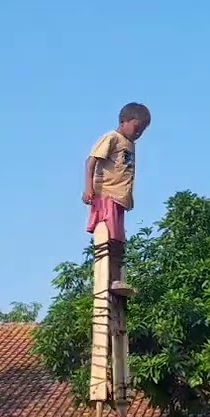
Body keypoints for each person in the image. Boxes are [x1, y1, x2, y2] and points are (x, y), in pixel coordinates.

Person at [83, 102, 151, 295]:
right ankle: (110, 277)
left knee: (120, 241)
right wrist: (88, 188)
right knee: (109, 238)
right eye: (137, 128)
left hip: (121, 199)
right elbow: (90, 162)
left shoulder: (130, 145)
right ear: (123, 122)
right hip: (107, 195)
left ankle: (118, 278)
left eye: (142, 131)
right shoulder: (111, 137)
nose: (139, 134)